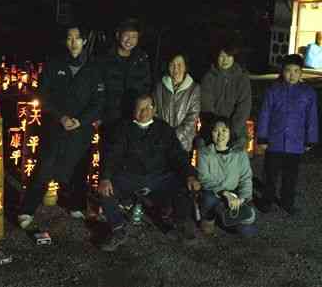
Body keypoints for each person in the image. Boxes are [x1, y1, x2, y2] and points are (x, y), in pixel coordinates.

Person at [18, 24, 104, 230]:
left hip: (81, 128)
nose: (73, 42)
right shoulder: (54, 64)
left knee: (78, 168)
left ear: (84, 41)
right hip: (56, 125)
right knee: (44, 167)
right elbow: (43, 95)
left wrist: (81, 121)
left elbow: (99, 102)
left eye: (77, 38)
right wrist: (61, 117)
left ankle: (75, 205)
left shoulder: (94, 68)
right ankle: (27, 210)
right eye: (69, 38)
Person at [97, 94, 200, 251]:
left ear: (154, 110)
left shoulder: (164, 129)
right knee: (105, 191)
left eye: (147, 108)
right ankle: (117, 229)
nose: (143, 112)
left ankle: (180, 225)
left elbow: (177, 155)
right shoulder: (123, 128)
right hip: (130, 177)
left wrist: (190, 175)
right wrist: (105, 178)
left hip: (159, 177)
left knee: (183, 185)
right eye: (139, 108)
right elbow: (112, 155)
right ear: (134, 111)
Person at [257, 54, 318, 215]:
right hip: (274, 141)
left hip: (295, 143)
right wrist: (262, 137)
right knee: (270, 173)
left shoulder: (308, 93)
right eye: (288, 70)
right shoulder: (273, 90)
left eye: (296, 71)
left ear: (301, 73)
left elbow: (311, 118)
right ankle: (267, 200)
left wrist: (310, 139)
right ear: (282, 71)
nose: (292, 75)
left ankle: (287, 201)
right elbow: (265, 114)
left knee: (290, 176)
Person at [196, 117, 257, 237]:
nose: (220, 135)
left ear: (230, 132)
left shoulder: (240, 154)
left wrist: (242, 198)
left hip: (235, 196)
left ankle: (226, 218)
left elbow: (246, 178)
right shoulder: (204, 153)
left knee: (247, 231)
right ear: (211, 133)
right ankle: (209, 218)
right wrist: (224, 193)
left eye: (224, 130)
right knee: (209, 199)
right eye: (216, 131)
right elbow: (204, 179)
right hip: (214, 193)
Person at [97, 18, 153, 130]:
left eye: (134, 37)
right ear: (118, 35)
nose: (129, 41)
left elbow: (147, 88)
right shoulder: (104, 59)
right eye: (126, 35)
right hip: (109, 119)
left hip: (135, 118)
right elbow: (97, 90)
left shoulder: (142, 59)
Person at [200, 38, 251, 149]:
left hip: (235, 132)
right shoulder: (209, 77)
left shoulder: (242, 78)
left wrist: (231, 131)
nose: (225, 60)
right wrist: (217, 131)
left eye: (228, 56)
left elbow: (244, 106)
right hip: (212, 131)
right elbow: (206, 106)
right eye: (221, 56)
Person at [154, 53, 200, 152]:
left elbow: (192, 116)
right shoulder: (159, 86)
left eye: (179, 65)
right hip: (161, 141)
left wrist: (174, 136)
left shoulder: (194, 89)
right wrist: (162, 134)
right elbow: (154, 111)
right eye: (172, 65)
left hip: (183, 143)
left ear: (185, 67)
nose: (176, 69)